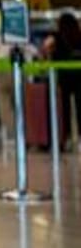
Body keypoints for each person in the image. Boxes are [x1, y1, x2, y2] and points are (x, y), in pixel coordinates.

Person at [43, 12, 80, 151]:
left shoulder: (56, 37)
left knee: (64, 110)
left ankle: (67, 138)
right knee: (79, 107)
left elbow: (46, 48)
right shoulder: (78, 35)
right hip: (79, 76)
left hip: (63, 77)